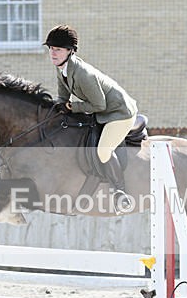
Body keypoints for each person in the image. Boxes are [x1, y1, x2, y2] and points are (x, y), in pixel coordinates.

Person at [44, 24, 137, 213]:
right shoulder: (62, 68)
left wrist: (72, 107)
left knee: (103, 151)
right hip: (102, 111)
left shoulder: (83, 73)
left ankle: (120, 193)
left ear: (70, 51)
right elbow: (63, 97)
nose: (53, 53)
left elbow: (99, 105)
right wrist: (55, 109)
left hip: (119, 113)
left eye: (58, 49)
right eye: (51, 48)